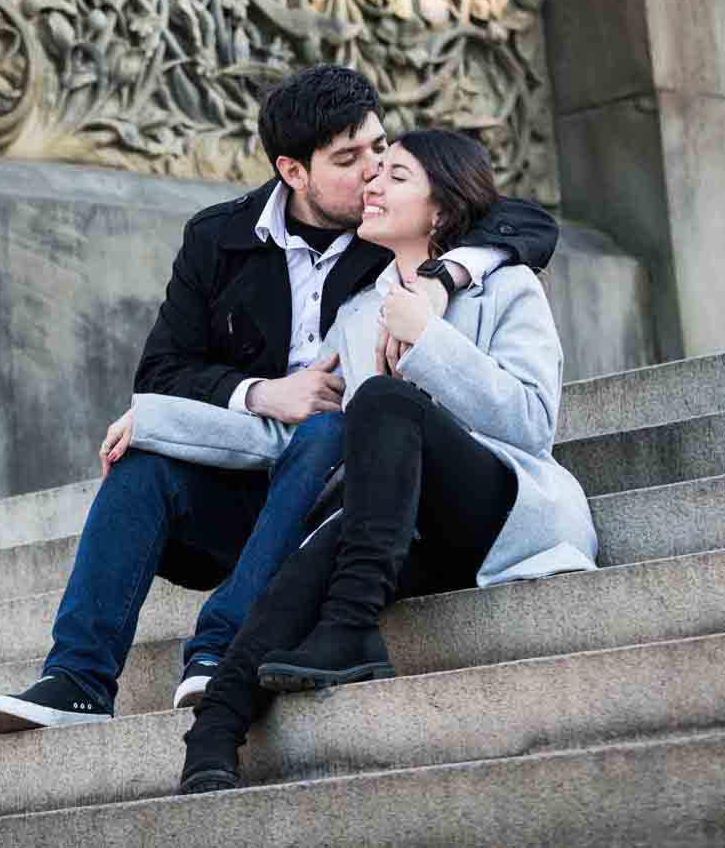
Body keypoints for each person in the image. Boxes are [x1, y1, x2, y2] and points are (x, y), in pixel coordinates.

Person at [0, 68, 559, 732]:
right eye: (348, 159)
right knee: (142, 462)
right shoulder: (217, 239)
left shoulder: (386, 242)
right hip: (243, 483)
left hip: (339, 493)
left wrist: (441, 277)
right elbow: (162, 370)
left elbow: (520, 218)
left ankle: (221, 648)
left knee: (328, 427)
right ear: (293, 170)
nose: (373, 172)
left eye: (378, 148)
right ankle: (77, 679)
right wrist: (264, 393)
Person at [174, 129, 598, 795]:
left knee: (382, 405)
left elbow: (532, 425)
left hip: (501, 506)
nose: (372, 183)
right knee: (313, 554)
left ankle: (348, 626)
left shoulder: (507, 284)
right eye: (374, 174)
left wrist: (426, 336)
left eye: (396, 176)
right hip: (403, 524)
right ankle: (214, 731)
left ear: (440, 208)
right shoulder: (356, 311)